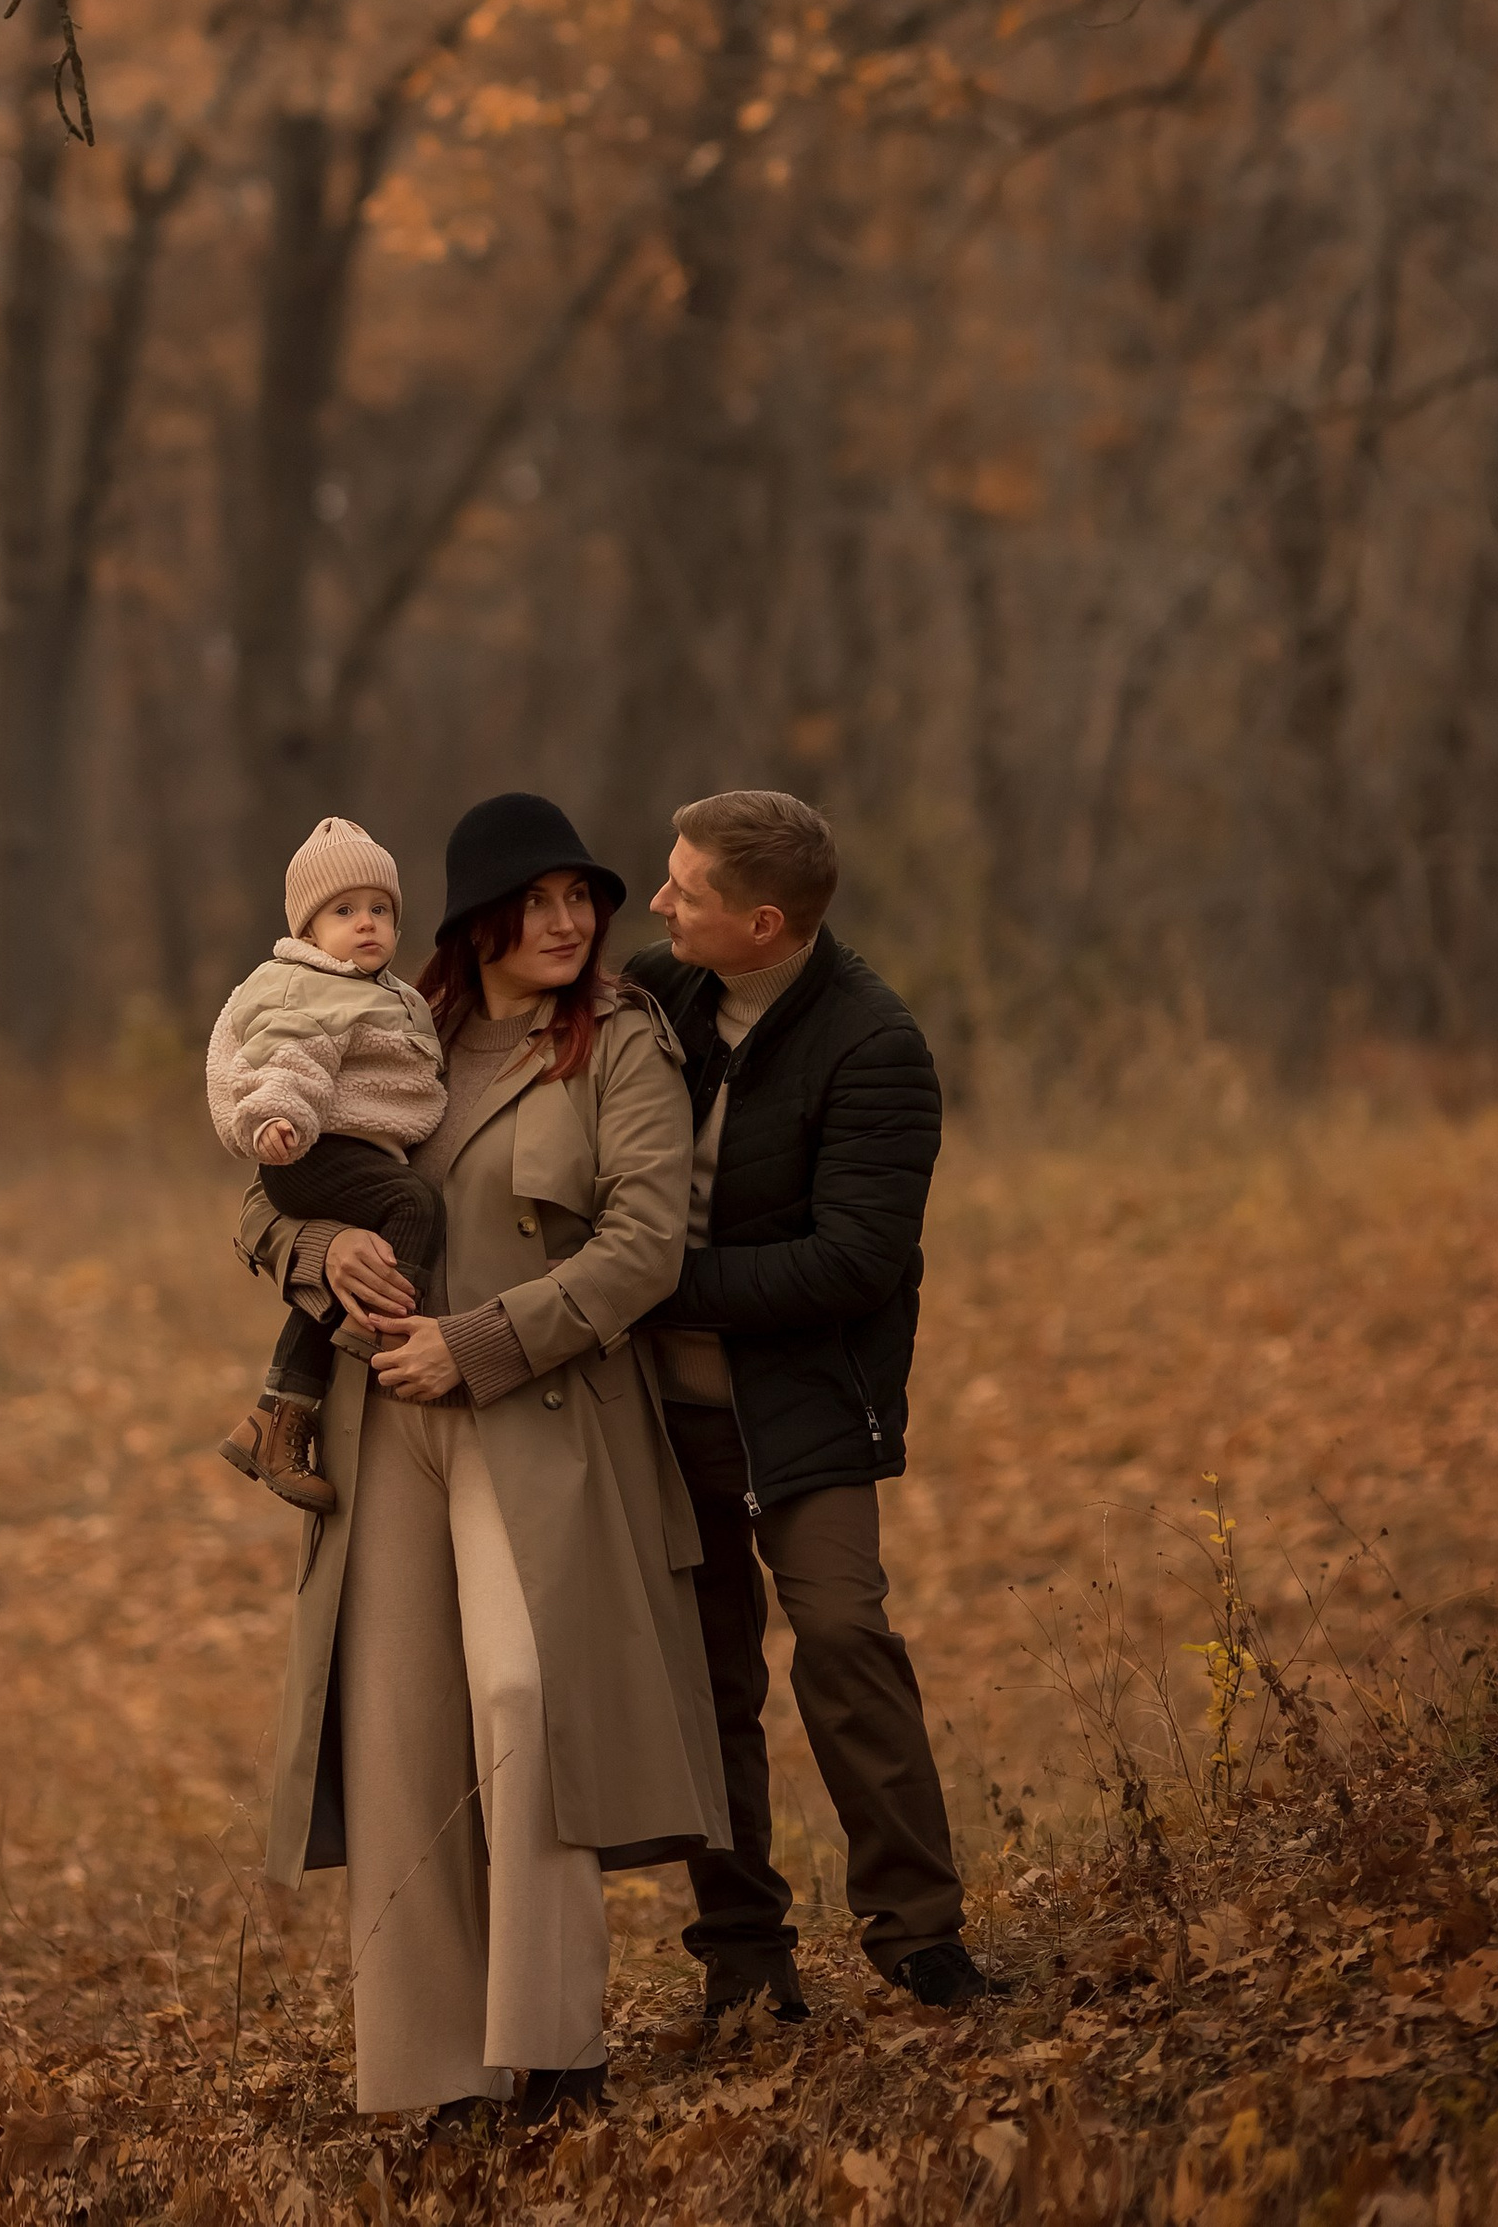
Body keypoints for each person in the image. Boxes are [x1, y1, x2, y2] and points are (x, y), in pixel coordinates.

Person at [245, 792, 729, 2125]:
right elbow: (263, 1183)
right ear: (480, 918)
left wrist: (484, 1341)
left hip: (542, 1411)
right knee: (404, 1736)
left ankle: (557, 2043)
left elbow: (644, 1245)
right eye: (542, 899)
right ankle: (431, 2075)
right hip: (381, 1415)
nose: (569, 920)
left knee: (526, 1699)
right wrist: (316, 1250)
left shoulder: (621, 1040)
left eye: (585, 897)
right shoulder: (395, 1021)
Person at [626, 786, 983, 2020]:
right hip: (656, 1415)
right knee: (705, 1674)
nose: (659, 899)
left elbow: (855, 1261)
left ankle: (920, 1935)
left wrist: (651, 1284)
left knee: (841, 1640)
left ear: (765, 924)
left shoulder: (873, 1044)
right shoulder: (654, 992)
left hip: (806, 1407)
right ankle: (738, 1947)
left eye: (687, 890)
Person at [207, 815, 446, 1514]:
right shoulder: (311, 988)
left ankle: (273, 1421)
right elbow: (294, 1060)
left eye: (380, 909)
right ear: (309, 931)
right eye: (344, 911)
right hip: (307, 1146)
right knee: (415, 1207)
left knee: (360, 1257)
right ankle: (370, 1336)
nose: (366, 923)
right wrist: (279, 1118)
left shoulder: (386, 993)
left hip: (337, 1148)